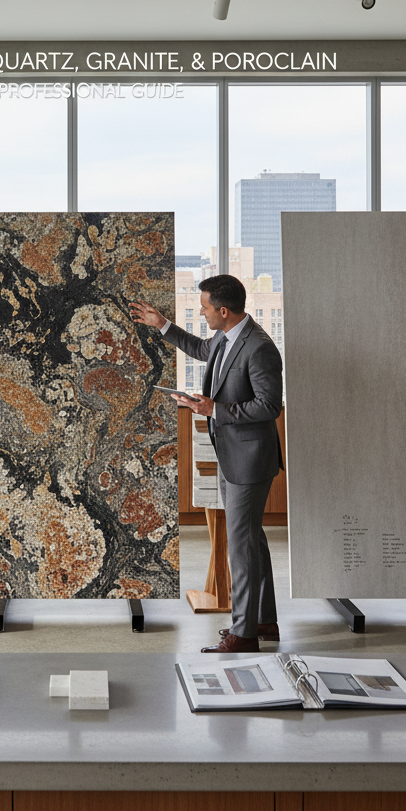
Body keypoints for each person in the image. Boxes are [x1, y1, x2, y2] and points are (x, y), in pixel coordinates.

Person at [130, 274, 283, 653]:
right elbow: (201, 349)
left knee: (241, 547)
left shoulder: (259, 347)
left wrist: (216, 409)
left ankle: (244, 634)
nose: (203, 314)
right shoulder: (228, 336)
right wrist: (161, 324)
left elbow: (269, 405)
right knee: (252, 541)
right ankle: (264, 620)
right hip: (233, 455)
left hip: (249, 459)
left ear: (224, 311)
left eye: (205, 309)